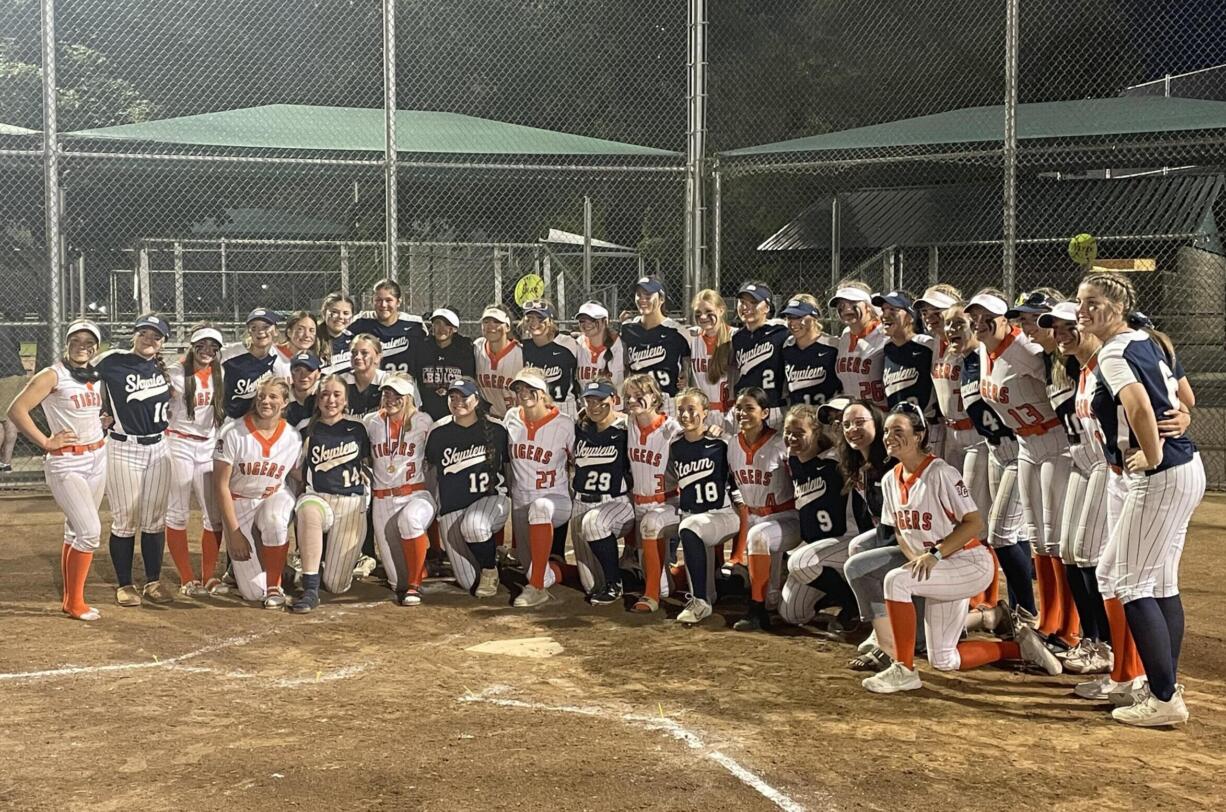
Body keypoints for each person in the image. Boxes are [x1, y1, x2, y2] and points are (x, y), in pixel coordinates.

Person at [861, 403, 1060, 693]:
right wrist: (919, 559)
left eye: (898, 430)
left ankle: (903, 669)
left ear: (919, 435)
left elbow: (974, 523)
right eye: (887, 431)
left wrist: (936, 554)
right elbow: (899, 532)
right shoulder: (890, 479)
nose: (889, 436)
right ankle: (1018, 649)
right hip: (939, 567)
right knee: (944, 659)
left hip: (969, 563)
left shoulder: (940, 471)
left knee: (895, 580)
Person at [1079, 271, 1205, 726]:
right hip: (1184, 468)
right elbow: (1184, 398)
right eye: (1082, 301)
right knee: (1160, 582)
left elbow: (1138, 405)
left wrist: (1150, 456)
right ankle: (1161, 684)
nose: (1083, 310)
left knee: (1120, 577)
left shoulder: (1115, 350)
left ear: (1116, 307)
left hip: (1164, 472)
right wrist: (1181, 421)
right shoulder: (1146, 340)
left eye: (1092, 302)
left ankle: (1165, 698)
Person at [968, 289, 1070, 639]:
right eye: (974, 316)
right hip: (1024, 445)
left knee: (1049, 541)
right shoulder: (984, 349)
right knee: (1034, 540)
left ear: (1002, 320)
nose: (979, 322)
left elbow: (1061, 387)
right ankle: (1033, 616)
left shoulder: (1026, 351)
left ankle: (1058, 624)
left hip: (1056, 443)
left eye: (987, 316)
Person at [6, 319, 107, 620]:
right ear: (67, 342)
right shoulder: (53, 375)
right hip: (67, 461)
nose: (83, 346)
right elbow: (16, 409)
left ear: (96, 347)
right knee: (89, 532)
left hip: (97, 456)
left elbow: (86, 409)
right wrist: (46, 441)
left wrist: (101, 420)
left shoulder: (94, 375)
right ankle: (76, 602)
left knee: (75, 530)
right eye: (77, 340)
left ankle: (70, 600)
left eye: (89, 342)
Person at [1040, 301, 1113, 676]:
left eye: (1070, 326)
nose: (1061, 334)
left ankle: (1107, 644)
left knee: (1087, 554)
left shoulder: (1105, 362)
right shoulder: (1072, 366)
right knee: (1069, 552)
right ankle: (1092, 639)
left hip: (1103, 464)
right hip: (1080, 464)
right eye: (1056, 328)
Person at [94, 314, 174, 607]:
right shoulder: (112, 361)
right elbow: (81, 380)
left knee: (154, 519)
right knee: (125, 519)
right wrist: (96, 415)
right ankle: (125, 583)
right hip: (123, 447)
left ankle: (152, 580)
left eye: (156, 336)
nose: (149, 340)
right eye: (144, 333)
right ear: (134, 335)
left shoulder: (167, 369)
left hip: (160, 448)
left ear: (163, 342)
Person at [287, 375, 372, 612]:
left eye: (337, 395)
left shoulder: (359, 427)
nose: (330, 400)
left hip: (350, 503)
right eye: (325, 395)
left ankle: (340, 562)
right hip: (319, 497)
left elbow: (370, 462)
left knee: (335, 584)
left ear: (346, 400)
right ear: (317, 400)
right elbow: (292, 467)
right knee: (307, 509)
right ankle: (310, 589)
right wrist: (306, 481)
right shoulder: (305, 428)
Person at [212, 377, 300, 605]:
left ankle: (274, 587)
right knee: (253, 593)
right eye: (261, 396)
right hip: (240, 501)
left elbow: (299, 475)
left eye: (273, 396)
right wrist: (234, 533)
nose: (266, 401)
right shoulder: (232, 432)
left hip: (274, 496)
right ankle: (272, 573)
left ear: (285, 402)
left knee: (274, 521)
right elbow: (221, 485)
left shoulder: (293, 437)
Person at [777, 402, 864, 632]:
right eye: (789, 433)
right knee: (791, 614)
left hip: (846, 540)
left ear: (816, 432)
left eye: (800, 433)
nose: (792, 438)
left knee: (800, 562)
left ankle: (854, 605)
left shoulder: (836, 461)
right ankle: (832, 594)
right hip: (819, 548)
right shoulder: (793, 460)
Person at [424, 377, 511, 599]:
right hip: (453, 507)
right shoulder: (439, 432)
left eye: (463, 396)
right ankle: (489, 559)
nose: (457, 401)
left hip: (490, 501)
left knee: (474, 524)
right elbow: (432, 473)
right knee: (468, 581)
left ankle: (490, 570)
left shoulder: (496, 429)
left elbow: (510, 471)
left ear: (476, 399)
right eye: (452, 397)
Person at [503, 367, 576, 607]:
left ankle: (536, 589)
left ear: (543, 392)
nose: (524, 393)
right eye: (520, 388)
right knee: (533, 568)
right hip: (521, 502)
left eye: (530, 388)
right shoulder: (511, 417)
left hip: (555, 500)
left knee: (541, 507)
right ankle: (562, 573)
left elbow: (579, 461)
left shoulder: (564, 424)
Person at [729, 386, 798, 632]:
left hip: (785, 517)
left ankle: (755, 611)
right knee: (774, 600)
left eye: (750, 408)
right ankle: (766, 597)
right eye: (739, 408)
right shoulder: (732, 445)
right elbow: (732, 485)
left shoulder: (781, 443)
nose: (742, 413)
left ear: (765, 412)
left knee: (758, 538)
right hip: (756, 518)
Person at [164, 324, 226, 596]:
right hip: (178, 443)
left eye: (213, 346)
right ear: (192, 347)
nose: (207, 351)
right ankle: (187, 577)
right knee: (177, 512)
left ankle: (209, 575)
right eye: (201, 345)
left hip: (208, 446)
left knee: (213, 515)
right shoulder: (176, 374)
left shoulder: (220, 372)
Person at [670, 388, 741, 625]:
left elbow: (738, 480)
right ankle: (710, 593)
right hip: (693, 515)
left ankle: (699, 602)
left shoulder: (722, 443)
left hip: (720, 513)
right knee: (689, 525)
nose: (686, 415)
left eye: (692, 409)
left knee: (689, 528)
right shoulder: (675, 445)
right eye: (681, 410)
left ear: (706, 412)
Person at [364, 374, 435, 606]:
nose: (391, 399)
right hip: (383, 499)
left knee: (411, 520)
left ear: (409, 397)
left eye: (397, 395)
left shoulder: (424, 421)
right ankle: (417, 568)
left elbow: (434, 459)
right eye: (387, 393)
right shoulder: (371, 422)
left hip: (414, 494)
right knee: (397, 582)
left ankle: (415, 585)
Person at [570, 379, 635, 605]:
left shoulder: (628, 428)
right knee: (590, 585)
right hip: (580, 502)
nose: (594, 406)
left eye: (601, 400)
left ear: (613, 400)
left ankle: (615, 583)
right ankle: (621, 575)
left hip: (615, 502)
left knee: (594, 524)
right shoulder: (580, 429)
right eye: (589, 400)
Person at [624, 373, 682, 614]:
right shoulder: (629, 423)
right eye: (628, 397)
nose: (632, 401)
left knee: (650, 524)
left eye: (639, 396)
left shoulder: (672, 428)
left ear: (655, 397)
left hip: (667, 503)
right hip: (639, 504)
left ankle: (651, 596)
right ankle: (683, 575)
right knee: (663, 583)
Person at [620, 276, 691, 414]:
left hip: (667, 401)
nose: (642, 299)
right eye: (639, 295)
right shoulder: (628, 329)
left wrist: (686, 376)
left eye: (648, 295)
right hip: (638, 400)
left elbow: (689, 364)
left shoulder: (677, 332)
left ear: (662, 298)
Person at [731, 281, 789, 419]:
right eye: (742, 301)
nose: (746, 306)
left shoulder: (781, 332)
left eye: (753, 302)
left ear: (767, 307)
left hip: (773, 408)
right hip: (746, 408)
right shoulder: (738, 337)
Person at [345, 278, 426, 375]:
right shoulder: (360, 322)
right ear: (372, 301)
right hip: (370, 385)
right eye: (378, 300)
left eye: (388, 300)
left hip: (404, 385)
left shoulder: (414, 324)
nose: (383, 305)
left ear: (398, 302)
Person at [518, 299, 581, 419]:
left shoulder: (568, 343)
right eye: (530, 318)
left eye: (540, 318)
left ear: (551, 321)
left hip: (564, 406)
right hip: (536, 406)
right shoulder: (524, 346)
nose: (534, 323)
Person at [411, 307, 476, 421]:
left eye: (447, 324)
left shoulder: (464, 349)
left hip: (457, 412)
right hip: (428, 412)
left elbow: (469, 380)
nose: (441, 328)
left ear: (454, 328)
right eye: (437, 323)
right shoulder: (422, 348)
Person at [829, 280, 886, 407]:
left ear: (868, 306)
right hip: (856, 413)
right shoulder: (845, 336)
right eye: (841, 304)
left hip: (882, 414)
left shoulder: (884, 333)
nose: (846, 308)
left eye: (853, 302)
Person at [779, 294, 839, 408]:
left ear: (814, 317)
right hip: (796, 417)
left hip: (824, 417)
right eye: (789, 317)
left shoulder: (833, 346)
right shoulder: (787, 347)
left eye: (799, 317)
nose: (793, 322)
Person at [221, 309, 282, 420]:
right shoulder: (230, 353)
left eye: (266, 327)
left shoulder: (279, 357)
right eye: (254, 328)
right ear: (249, 332)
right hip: (231, 420)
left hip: (262, 420)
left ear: (276, 331)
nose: (260, 331)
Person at [689, 289, 735, 427]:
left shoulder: (735, 337)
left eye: (708, 311)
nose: (703, 317)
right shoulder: (692, 338)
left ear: (721, 310)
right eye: (698, 313)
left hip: (729, 414)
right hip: (701, 414)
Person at [472, 304, 523, 418]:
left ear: (508, 327)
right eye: (486, 322)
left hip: (516, 418)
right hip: (488, 418)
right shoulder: (477, 348)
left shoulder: (521, 353)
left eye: (497, 322)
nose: (491, 326)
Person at [574, 301, 625, 392]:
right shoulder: (577, 345)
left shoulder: (620, 345)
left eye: (592, 320)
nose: (586, 324)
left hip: (616, 404)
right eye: (582, 320)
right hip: (588, 404)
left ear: (605, 321)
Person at [0, 319, 28, 472]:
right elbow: (18, 347)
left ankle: (4, 463)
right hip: (18, 373)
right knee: (9, 418)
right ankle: (6, 463)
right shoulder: (6, 322)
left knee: (1, 420)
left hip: (3, 376)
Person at [343, 333, 389, 417]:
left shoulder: (387, 380)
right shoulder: (342, 382)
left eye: (364, 353)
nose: (357, 357)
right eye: (354, 352)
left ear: (378, 357)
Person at [317, 292, 355, 376]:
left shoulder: (353, 340)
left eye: (346, 313)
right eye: (334, 312)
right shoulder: (313, 339)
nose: (340, 317)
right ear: (324, 313)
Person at [285, 350, 321, 429]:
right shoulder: (282, 400)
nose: (303, 375)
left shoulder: (325, 399)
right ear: (291, 373)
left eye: (309, 370)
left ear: (318, 374)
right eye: (298, 370)